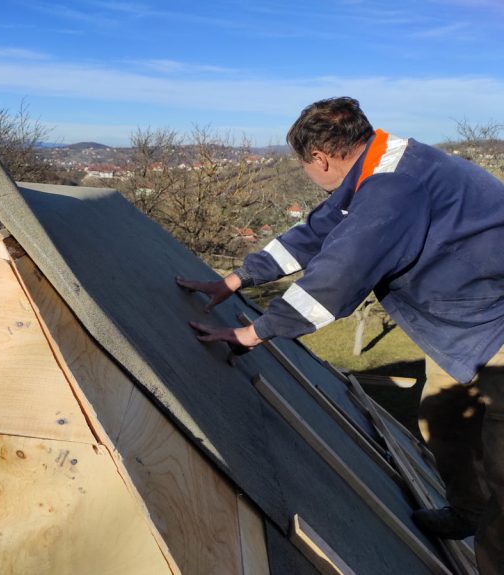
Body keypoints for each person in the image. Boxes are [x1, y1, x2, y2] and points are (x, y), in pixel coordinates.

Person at [177, 97, 504, 574]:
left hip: (496, 333)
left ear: (321, 159)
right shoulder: (379, 164)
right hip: (462, 331)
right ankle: (465, 512)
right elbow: (316, 233)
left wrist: (251, 334)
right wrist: (235, 280)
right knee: (443, 422)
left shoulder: (395, 187)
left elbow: (336, 279)